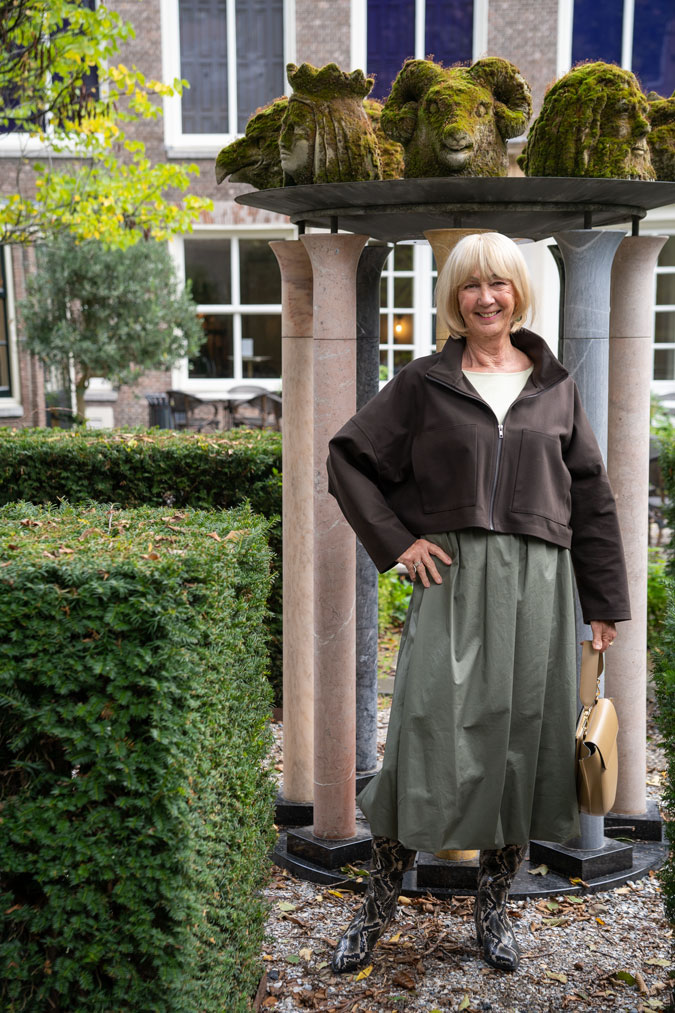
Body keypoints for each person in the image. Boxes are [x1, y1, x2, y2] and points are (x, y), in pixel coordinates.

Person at [326, 232, 630, 975]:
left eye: (497, 283)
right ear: (454, 298)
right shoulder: (424, 382)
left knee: (520, 743)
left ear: (517, 293)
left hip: (541, 586)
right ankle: (376, 908)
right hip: (451, 581)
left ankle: (492, 908)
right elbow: (348, 458)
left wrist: (602, 603)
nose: (485, 297)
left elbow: (590, 497)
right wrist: (398, 541)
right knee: (422, 736)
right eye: (469, 285)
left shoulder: (553, 386)